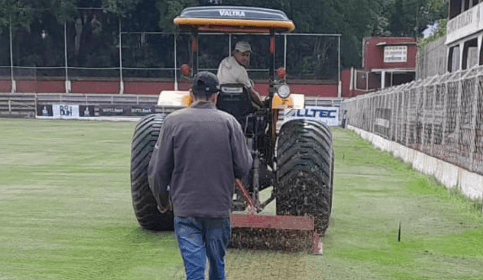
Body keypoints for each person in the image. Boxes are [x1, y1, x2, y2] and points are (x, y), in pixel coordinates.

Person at [148, 71, 253, 280]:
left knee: (195, 270)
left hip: (186, 211)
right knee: (217, 264)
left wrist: (162, 201)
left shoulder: (172, 122)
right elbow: (243, 167)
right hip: (218, 210)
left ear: (190, 93)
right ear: (216, 96)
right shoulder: (230, 123)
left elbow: (158, 171)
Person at [217, 41, 264, 107]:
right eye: (243, 55)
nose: (246, 58)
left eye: (247, 55)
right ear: (235, 53)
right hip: (240, 108)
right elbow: (252, 93)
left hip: (222, 105)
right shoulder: (241, 70)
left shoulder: (224, 62)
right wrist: (262, 105)